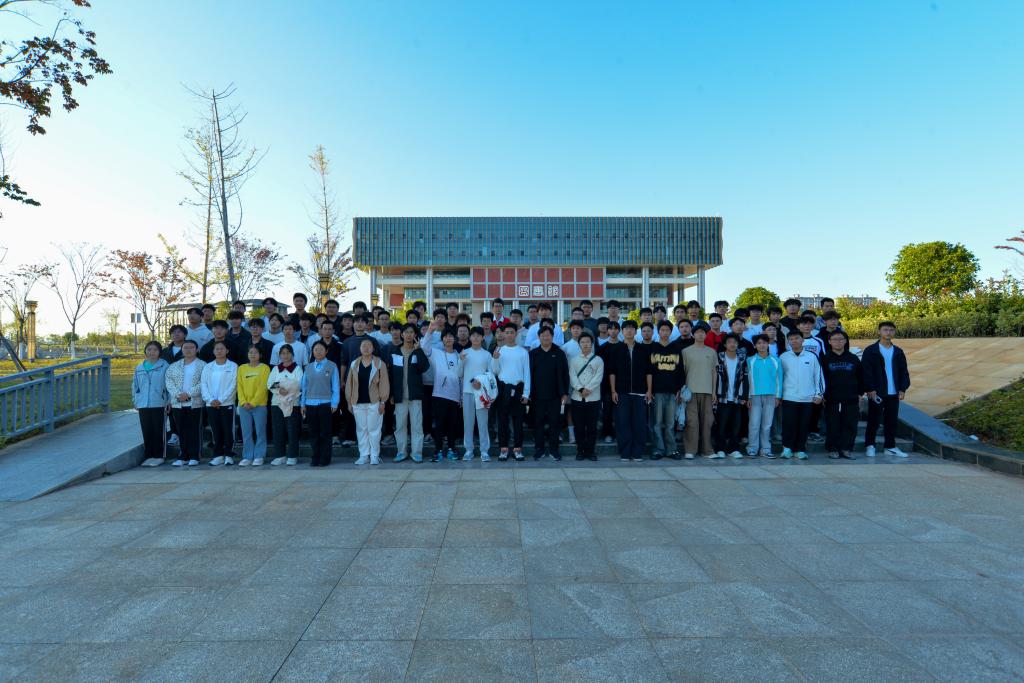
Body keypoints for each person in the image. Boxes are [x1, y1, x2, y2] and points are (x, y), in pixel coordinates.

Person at [861, 321, 911, 458]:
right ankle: (870, 445)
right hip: (877, 392)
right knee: (874, 420)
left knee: (892, 421)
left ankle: (890, 447)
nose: (888, 332)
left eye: (891, 330)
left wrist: (902, 389)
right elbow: (866, 371)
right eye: (885, 330)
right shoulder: (871, 350)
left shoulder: (898, 352)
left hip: (893, 393)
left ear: (894, 332)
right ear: (879, 331)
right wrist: (870, 388)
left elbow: (904, 372)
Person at [608, 320, 652, 462]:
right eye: (626, 329)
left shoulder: (643, 349)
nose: (629, 331)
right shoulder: (616, 349)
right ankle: (625, 452)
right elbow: (612, 372)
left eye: (632, 328)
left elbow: (649, 372)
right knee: (623, 423)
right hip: (622, 392)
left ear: (635, 331)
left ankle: (637, 452)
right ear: (622, 331)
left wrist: (649, 390)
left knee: (639, 424)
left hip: (640, 392)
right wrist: (613, 391)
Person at [386, 323, 430, 463]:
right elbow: (391, 375)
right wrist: (391, 394)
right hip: (399, 395)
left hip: (415, 395)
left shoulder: (418, 351)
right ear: (402, 334)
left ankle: (416, 452)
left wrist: (418, 351)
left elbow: (425, 368)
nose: (409, 335)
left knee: (417, 425)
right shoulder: (395, 352)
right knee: (400, 425)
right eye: (406, 332)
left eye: (412, 332)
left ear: (415, 335)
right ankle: (401, 452)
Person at [779, 331, 825, 460]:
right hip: (789, 396)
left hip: (808, 397)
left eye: (797, 338)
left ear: (802, 340)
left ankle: (800, 449)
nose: (794, 341)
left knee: (804, 425)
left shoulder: (812, 356)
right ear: (788, 341)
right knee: (789, 424)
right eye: (791, 339)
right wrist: (779, 394)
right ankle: (787, 448)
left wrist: (819, 394)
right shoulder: (783, 357)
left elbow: (818, 375)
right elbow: (779, 377)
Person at [820, 329, 864, 459]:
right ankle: (833, 449)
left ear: (845, 341)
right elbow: (820, 378)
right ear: (829, 342)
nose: (838, 342)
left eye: (841, 339)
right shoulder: (825, 359)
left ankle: (847, 449)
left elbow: (861, 377)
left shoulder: (853, 358)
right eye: (835, 339)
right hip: (831, 398)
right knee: (833, 424)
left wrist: (860, 393)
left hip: (851, 398)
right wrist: (822, 395)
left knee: (850, 424)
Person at [344, 339, 389, 466]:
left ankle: (374, 455)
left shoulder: (379, 364)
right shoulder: (354, 364)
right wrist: (349, 401)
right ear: (360, 348)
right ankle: (364, 455)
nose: (366, 348)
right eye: (363, 346)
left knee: (374, 430)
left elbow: (384, 383)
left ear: (373, 348)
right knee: (361, 429)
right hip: (357, 402)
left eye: (369, 345)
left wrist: (383, 402)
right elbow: (349, 384)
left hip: (374, 402)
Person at [528, 326, 570, 460]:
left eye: (548, 335)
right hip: (537, 395)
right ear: (538, 337)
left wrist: (564, 393)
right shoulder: (533, 354)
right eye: (543, 335)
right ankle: (539, 449)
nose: (545, 337)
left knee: (554, 423)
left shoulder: (559, 353)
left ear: (552, 337)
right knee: (538, 423)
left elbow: (565, 374)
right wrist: (528, 393)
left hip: (555, 395)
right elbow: (528, 375)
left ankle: (554, 450)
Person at [491, 322, 530, 461]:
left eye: (511, 332)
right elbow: (495, 371)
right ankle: (503, 449)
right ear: (503, 334)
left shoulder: (523, 352)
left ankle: (518, 449)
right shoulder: (499, 350)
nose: (509, 335)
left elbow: (527, 374)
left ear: (516, 334)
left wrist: (526, 393)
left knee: (518, 421)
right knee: (502, 420)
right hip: (503, 389)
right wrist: (495, 359)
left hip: (518, 389)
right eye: (506, 332)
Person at [424, 328, 462, 461]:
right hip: (440, 394)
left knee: (452, 424)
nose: (448, 338)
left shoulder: (459, 356)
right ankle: (438, 450)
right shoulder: (436, 353)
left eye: (451, 336)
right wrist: (430, 331)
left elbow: (461, 378)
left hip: (455, 395)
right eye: (446, 336)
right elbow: (424, 346)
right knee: (439, 424)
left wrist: (461, 397)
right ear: (442, 339)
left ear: (455, 339)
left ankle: (451, 449)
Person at [165, 340, 205, 466]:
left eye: (191, 347)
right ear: (182, 350)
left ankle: (194, 456)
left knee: (194, 430)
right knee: (181, 430)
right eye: (185, 347)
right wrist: (178, 395)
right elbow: (169, 382)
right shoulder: (174, 366)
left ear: (197, 350)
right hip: (178, 403)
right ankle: (183, 456)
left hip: (195, 403)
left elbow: (204, 382)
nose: (188, 350)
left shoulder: (203, 365)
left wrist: (188, 394)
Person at [648, 321, 684, 460]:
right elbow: (649, 371)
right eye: (662, 330)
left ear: (671, 331)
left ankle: (671, 450)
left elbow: (681, 370)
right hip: (657, 391)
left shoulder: (676, 347)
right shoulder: (653, 348)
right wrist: (650, 390)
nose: (665, 332)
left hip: (673, 391)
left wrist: (679, 389)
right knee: (657, 423)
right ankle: (658, 449)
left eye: (667, 330)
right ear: (658, 332)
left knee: (670, 423)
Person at [302, 341, 340, 467]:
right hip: (310, 403)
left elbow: (335, 386)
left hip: (326, 403)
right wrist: (302, 404)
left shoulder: (332, 366)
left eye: (321, 349)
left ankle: (325, 458)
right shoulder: (308, 367)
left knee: (325, 433)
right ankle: (315, 456)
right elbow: (304, 386)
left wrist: (335, 403)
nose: (318, 352)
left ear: (326, 351)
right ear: (312, 352)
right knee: (313, 432)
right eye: (315, 350)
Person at [200, 340, 238, 466]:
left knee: (228, 430)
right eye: (217, 349)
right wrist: (210, 399)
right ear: (213, 351)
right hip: (211, 404)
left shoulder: (233, 366)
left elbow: (233, 385)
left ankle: (229, 455)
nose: (219, 351)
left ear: (227, 351)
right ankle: (218, 455)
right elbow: (203, 384)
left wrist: (221, 400)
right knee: (215, 430)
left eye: (222, 349)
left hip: (227, 403)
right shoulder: (208, 367)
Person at [682, 326, 718, 459]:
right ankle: (690, 450)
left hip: (707, 391)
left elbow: (714, 373)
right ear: (693, 335)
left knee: (707, 422)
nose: (700, 335)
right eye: (697, 333)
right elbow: (682, 372)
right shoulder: (685, 351)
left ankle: (707, 450)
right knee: (692, 421)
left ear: (706, 335)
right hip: (690, 391)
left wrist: (714, 392)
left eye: (703, 333)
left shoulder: (712, 352)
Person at [459, 326, 493, 461]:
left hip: (482, 393)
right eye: (473, 335)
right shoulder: (464, 353)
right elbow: (459, 374)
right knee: (468, 422)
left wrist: (481, 383)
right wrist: (461, 361)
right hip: (467, 392)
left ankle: (484, 451)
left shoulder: (487, 355)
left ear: (482, 337)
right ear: (470, 337)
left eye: (479, 335)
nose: (476, 338)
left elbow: (490, 375)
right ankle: (469, 450)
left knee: (483, 423)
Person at [713, 334, 749, 459]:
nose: (732, 344)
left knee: (736, 425)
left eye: (735, 342)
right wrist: (715, 394)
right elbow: (714, 376)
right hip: (722, 396)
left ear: (738, 344)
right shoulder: (719, 357)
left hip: (737, 397)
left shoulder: (742, 358)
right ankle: (720, 448)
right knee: (721, 425)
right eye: (729, 342)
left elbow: (746, 378)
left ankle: (734, 449)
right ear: (724, 344)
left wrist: (745, 396)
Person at [134, 341, 170, 467]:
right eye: (149, 349)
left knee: (158, 430)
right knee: (147, 430)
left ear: (160, 352)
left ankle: (159, 456)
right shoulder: (140, 367)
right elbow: (135, 385)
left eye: (155, 350)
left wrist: (169, 400)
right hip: (143, 404)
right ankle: (149, 455)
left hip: (159, 403)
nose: (152, 352)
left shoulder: (165, 366)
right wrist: (136, 400)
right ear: (145, 351)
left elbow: (169, 385)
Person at [746, 335, 782, 458]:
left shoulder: (776, 360)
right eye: (759, 343)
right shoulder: (750, 360)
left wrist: (778, 396)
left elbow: (779, 379)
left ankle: (766, 449)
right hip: (754, 395)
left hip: (771, 395)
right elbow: (747, 380)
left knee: (767, 424)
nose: (762, 345)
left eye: (764, 343)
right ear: (755, 345)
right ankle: (752, 448)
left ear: (768, 344)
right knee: (754, 423)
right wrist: (748, 397)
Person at [568, 332, 602, 461]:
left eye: (588, 342)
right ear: (579, 344)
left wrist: (588, 389)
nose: (585, 344)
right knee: (579, 426)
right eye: (582, 342)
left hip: (593, 398)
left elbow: (598, 377)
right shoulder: (574, 360)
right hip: (577, 398)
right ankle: (580, 451)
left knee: (592, 427)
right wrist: (580, 388)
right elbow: (572, 376)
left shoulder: (598, 360)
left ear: (592, 344)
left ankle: (591, 451)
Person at [268, 344, 303, 466]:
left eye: (288, 353)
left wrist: (284, 386)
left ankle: (292, 456)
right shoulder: (275, 369)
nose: (285, 355)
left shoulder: (297, 369)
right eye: (283, 353)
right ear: (279, 355)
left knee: (292, 430)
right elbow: (270, 383)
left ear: (292, 354)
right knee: (278, 430)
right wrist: (280, 390)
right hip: (277, 403)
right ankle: (280, 455)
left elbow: (298, 384)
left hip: (293, 402)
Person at [236, 344, 270, 466]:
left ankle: (259, 456)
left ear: (260, 355)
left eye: (255, 352)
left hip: (259, 405)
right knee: (246, 432)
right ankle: (247, 456)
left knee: (260, 431)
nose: (253, 355)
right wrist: (243, 402)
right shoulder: (241, 368)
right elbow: (239, 386)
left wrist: (253, 402)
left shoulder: (265, 368)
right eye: (250, 352)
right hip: (244, 406)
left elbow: (263, 387)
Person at [597, 320, 620, 443]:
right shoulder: (602, 348)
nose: (613, 331)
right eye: (611, 329)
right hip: (605, 384)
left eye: (616, 328)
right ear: (607, 331)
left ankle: (620, 433)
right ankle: (607, 433)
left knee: (621, 412)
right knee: (607, 410)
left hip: (622, 384)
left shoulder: (623, 346)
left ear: (619, 331)